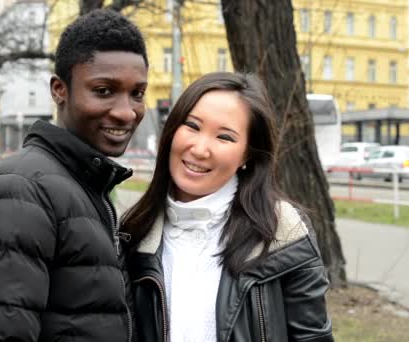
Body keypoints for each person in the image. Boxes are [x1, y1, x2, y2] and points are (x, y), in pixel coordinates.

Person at [0, 9, 148, 342]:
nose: (126, 112)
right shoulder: (17, 192)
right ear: (59, 90)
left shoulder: (84, 183)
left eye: (137, 93)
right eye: (104, 90)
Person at [122, 72, 333, 342]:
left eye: (224, 137)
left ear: (247, 154)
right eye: (192, 126)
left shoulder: (283, 231)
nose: (199, 149)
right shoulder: (134, 233)